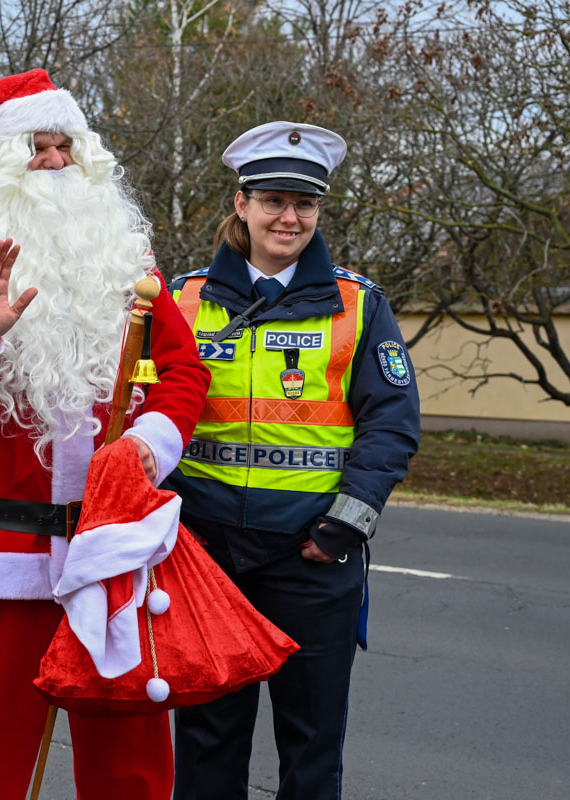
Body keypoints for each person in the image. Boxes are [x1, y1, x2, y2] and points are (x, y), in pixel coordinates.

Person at [0, 69, 211, 798]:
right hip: (0, 560)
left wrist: (147, 445)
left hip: (115, 554)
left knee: (132, 769)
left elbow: (185, 375)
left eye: (66, 147)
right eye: (36, 147)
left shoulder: (123, 259)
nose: (56, 161)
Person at [164, 121, 422, 799]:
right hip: (208, 557)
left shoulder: (359, 305)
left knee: (311, 748)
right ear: (242, 202)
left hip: (314, 556)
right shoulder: (180, 299)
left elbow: (391, 424)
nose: (289, 217)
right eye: (274, 199)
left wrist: (346, 523)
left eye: (304, 204)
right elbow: (146, 414)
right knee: (205, 742)